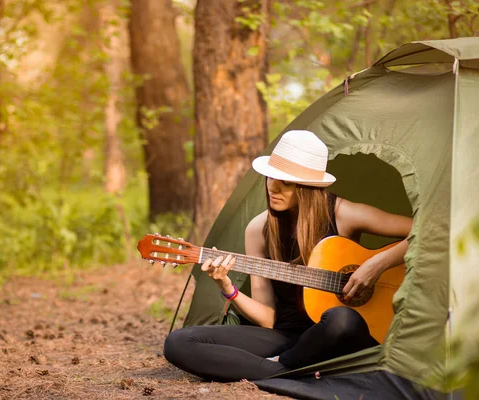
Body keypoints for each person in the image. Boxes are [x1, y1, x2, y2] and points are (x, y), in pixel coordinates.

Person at [163, 130, 412, 382]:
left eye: (287, 182)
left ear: (309, 188)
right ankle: (288, 370)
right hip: (286, 337)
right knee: (179, 342)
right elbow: (268, 318)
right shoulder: (258, 230)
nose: (273, 187)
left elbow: (428, 232)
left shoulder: (343, 214)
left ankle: (281, 367)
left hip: (338, 335)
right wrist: (227, 286)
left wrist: (377, 264)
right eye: (271, 176)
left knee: (342, 319)